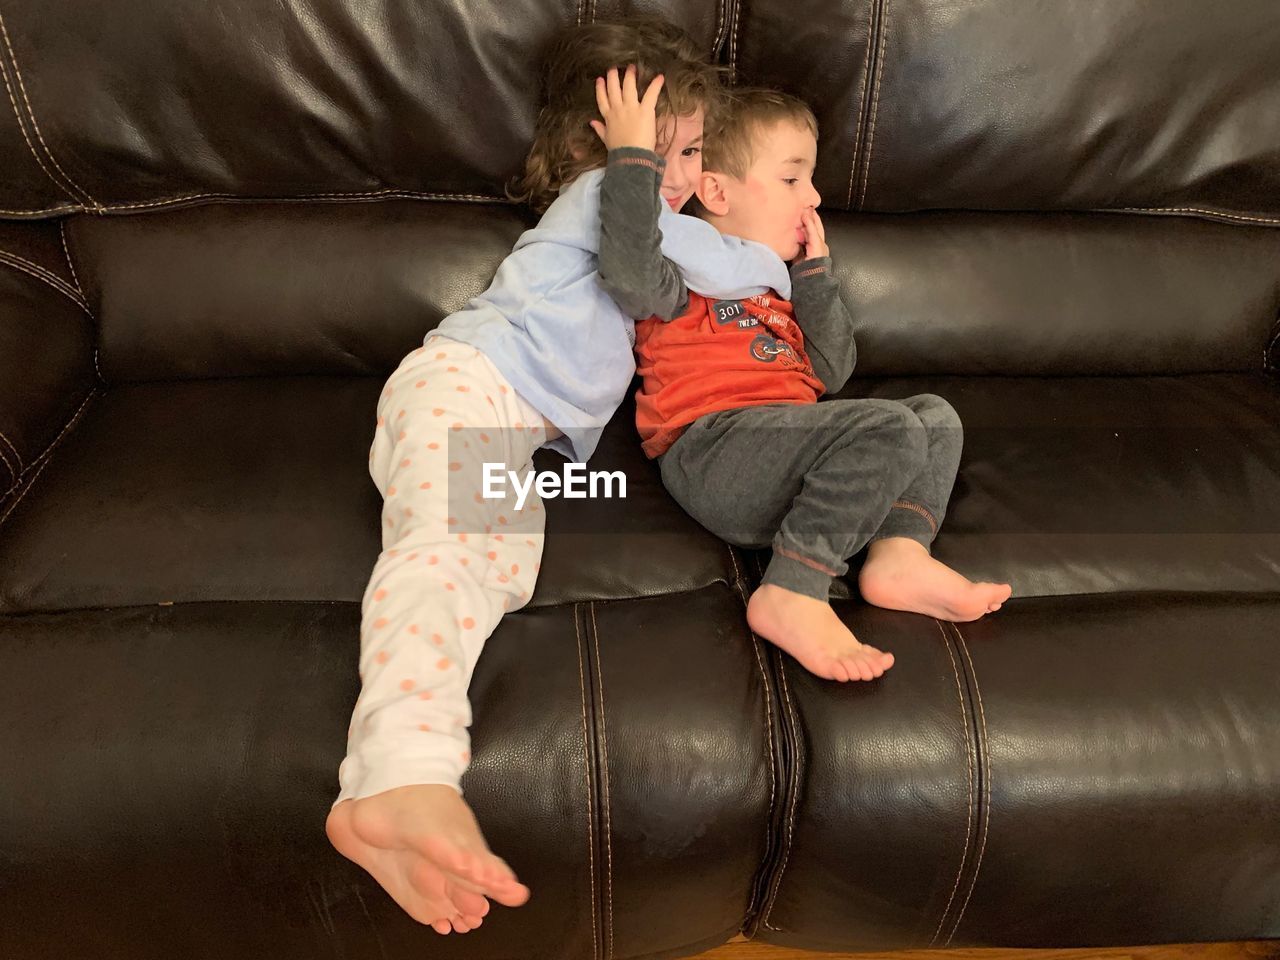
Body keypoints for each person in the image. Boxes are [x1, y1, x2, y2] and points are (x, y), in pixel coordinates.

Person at [324, 22, 794, 935]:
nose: (697, 178)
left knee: (502, 564)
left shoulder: (633, 210)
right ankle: (406, 771)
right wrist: (779, 254)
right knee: (449, 551)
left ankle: (373, 803)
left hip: (515, 439)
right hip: (464, 387)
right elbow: (675, 278)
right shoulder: (601, 200)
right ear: (604, 145)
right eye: (683, 153)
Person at [594, 86, 1013, 683]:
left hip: (787, 456)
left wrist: (812, 276)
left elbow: (832, 370)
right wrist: (632, 155)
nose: (815, 197)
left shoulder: (776, 287)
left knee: (933, 415)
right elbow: (629, 268)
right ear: (715, 192)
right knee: (890, 426)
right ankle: (794, 586)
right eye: (793, 180)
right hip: (713, 448)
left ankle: (897, 555)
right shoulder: (682, 261)